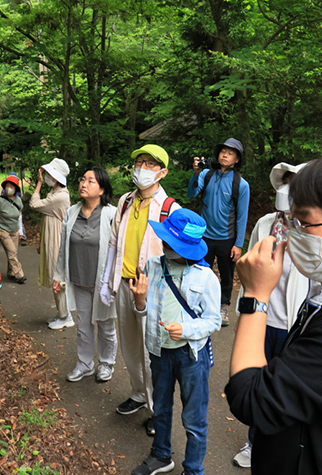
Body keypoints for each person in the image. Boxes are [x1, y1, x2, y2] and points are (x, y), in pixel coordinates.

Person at [226, 149, 322, 475]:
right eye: (290, 220)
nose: (292, 233)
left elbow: (251, 399)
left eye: (305, 222)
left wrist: (254, 295)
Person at [232, 162, 322, 469]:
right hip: (263, 318)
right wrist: (242, 312)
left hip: (292, 323)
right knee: (255, 379)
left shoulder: (314, 230)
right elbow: (249, 267)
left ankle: (280, 443)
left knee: (282, 388)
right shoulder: (265, 223)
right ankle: (253, 441)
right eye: (285, 182)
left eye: (294, 183)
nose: (287, 189)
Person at [130, 208, 221, 475]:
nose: (167, 246)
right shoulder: (154, 266)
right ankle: (160, 454)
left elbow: (213, 321)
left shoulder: (206, 278)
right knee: (161, 407)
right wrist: (139, 300)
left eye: (173, 243)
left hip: (191, 356)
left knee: (194, 418)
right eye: (166, 241)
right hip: (159, 351)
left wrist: (187, 328)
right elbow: (144, 310)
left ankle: (193, 468)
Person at [100, 144, 180, 435]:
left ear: (162, 172)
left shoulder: (170, 208)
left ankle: (159, 410)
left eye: (150, 164)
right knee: (130, 346)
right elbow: (113, 243)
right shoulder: (125, 201)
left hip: (152, 291)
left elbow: (178, 255)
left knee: (152, 353)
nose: (142, 168)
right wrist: (107, 281)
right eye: (140, 162)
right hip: (124, 283)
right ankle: (138, 393)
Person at [52, 167, 118, 382]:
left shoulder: (112, 214)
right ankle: (85, 363)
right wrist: (59, 275)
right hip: (79, 278)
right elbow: (63, 246)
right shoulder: (72, 212)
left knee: (106, 325)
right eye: (83, 179)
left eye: (91, 181)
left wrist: (116, 280)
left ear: (102, 189)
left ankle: (107, 364)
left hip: (104, 281)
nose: (83, 184)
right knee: (83, 326)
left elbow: (119, 250)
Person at [186, 138, 250, 326]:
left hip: (226, 238)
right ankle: (198, 306)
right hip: (204, 236)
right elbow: (191, 193)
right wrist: (195, 173)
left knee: (226, 275)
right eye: (223, 151)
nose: (225, 154)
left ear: (236, 159)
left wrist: (238, 244)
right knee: (199, 271)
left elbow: (242, 216)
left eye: (230, 153)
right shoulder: (206, 174)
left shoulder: (241, 184)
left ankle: (223, 306)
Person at [30, 158, 71, 330]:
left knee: (58, 279)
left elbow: (33, 204)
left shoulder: (60, 197)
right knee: (55, 276)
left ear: (55, 177)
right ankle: (62, 313)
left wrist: (38, 183)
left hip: (57, 239)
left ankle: (66, 316)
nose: (46, 176)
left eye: (48, 174)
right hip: (51, 238)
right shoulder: (55, 194)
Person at [0, 175, 26, 284]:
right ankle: (19, 274)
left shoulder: (18, 200)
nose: (9, 188)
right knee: (12, 251)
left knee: (13, 253)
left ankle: (11, 273)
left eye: (11, 186)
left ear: (15, 189)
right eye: (7, 186)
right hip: (3, 229)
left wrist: (21, 231)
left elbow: (19, 216)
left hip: (15, 230)